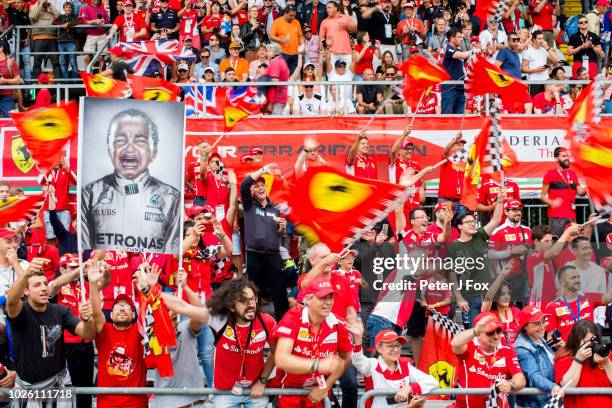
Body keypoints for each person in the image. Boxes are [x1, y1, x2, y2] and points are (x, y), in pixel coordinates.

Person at [81, 109, 181, 254]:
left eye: (140, 141)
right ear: (109, 149)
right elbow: (86, 253)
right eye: (120, 140)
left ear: (154, 152)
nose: (129, 148)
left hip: (149, 275)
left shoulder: (171, 197)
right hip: (107, 275)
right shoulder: (90, 194)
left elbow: (171, 255)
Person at [6, 260, 96, 401]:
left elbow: (88, 333)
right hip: (28, 390)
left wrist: (87, 320)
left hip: (58, 387)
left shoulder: (61, 311)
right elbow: (11, 301)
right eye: (37, 285)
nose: (44, 288)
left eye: (46, 284)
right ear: (26, 291)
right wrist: (26, 275)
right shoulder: (20, 310)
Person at [273, 276, 352, 408]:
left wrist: (326, 386)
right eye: (322, 298)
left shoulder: (338, 324)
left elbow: (345, 359)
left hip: (319, 392)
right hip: (289, 392)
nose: (328, 302)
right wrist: (318, 365)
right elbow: (281, 359)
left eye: (330, 297)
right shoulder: (293, 318)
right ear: (308, 300)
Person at [205, 278, 276, 408]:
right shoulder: (220, 319)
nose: (251, 305)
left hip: (255, 390)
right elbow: (185, 308)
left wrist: (262, 380)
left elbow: (276, 352)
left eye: (253, 299)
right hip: (225, 391)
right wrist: (156, 291)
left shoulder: (267, 321)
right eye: (244, 301)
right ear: (231, 306)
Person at [449, 188, 506, 327]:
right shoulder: (453, 246)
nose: (473, 223)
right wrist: (459, 298)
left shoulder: (479, 236)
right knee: (472, 332)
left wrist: (499, 201)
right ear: (460, 226)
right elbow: (452, 274)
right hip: (468, 297)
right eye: (468, 222)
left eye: (474, 221)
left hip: (487, 294)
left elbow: (496, 220)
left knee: (489, 330)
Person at [348, 321, 437, 408]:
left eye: (398, 345)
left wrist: (409, 389)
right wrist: (358, 340)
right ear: (379, 348)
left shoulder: (405, 366)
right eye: (390, 346)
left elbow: (433, 382)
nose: (395, 349)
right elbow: (358, 361)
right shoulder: (373, 365)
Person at [240, 163, 288, 321]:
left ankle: (284, 326)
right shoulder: (249, 205)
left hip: (273, 254)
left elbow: (279, 234)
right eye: (256, 186)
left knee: (280, 292)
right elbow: (244, 185)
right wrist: (262, 170)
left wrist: (281, 229)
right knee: (252, 292)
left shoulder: (275, 209)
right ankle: (252, 324)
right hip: (254, 253)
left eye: (262, 186)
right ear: (252, 190)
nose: (260, 189)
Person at [451, 312, 527, 408]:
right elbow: (455, 344)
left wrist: (511, 384)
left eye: (499, 331)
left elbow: (520, 379)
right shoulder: (470, 345)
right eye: (490, 332)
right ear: (478, 334)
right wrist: (475, 330)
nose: (496, 336)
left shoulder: (507, 349)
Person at [544, 265, 612, 341]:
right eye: (573, 278)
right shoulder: (552, 306)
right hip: (568, 351)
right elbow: (550, 338)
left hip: (590, 349)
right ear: (563, 282)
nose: (577, 280)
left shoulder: (589, 297)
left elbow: (607, 298)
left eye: (578, 277)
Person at [554, 319, 612, 407]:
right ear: (576, 341)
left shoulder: (604, 353)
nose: (591, 345)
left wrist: (606, 362)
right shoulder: (564, 357)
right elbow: (567, 387)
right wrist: (578, 359)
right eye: (586, 342)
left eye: (593, 340)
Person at [514, 305, 563, 408]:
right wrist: (552, 386)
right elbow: (533, 375)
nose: (542, 327)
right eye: (537, 324)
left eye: (543, 322)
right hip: (535, 404)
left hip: (548, 401)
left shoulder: (540, 339)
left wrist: (561, 351)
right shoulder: (521, 348)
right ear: (525, 326)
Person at [489, 200, 532, 304]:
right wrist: (511, 251)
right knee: (507, 308)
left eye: (519, 210)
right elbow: (490, 254)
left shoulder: (527, 230)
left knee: (522, 308)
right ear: (506, 212)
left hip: (524, 277)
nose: (517, 212)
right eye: (514, 210)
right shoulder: (498, 231)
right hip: (506, 277)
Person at [541, 147, 587, 236]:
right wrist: (552, 202)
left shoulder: (572, 174)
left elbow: (581, 192)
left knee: (574, 242)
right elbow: (543, 196)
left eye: (568, 156)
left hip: (572, 216)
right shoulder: (550, 174)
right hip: (556, 216)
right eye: (563, 156)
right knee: (558, 243)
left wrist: (589, 183)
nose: (567, 158)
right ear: (556, 158)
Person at [319, 1, 357, 68]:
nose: (327, 10)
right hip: (332, 54)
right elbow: (321, 38)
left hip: (346, 52)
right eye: (327, 8)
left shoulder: (346, 18)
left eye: (329, 8)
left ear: (336, 8)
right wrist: (324, 51)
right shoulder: (324, 22)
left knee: (348, 76)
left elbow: (355, 30)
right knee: (332, 77)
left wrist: (347, 26)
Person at [442, 28, 470, 114]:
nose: (462, 39)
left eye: (462, 37)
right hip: (450, 88)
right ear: (452, 38)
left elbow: (467, 60)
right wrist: (474, 51)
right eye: (459, 37)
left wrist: (484, 51)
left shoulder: (459, 50)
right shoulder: (448, 49)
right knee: (446, 119)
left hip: (461, 88)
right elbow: (463, 55)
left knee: (459, 119)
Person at [567, 14, 605, 79]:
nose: (583, 23)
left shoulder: (594, 36)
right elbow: (569, 52)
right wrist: (581, 47)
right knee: (577, 84)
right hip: (578, 63)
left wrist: (592, 46)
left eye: (585, 22)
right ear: (578, 25)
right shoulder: (573, 36)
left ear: (588, 24)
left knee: (591, 85)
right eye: (581, 22)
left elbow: (602, 54)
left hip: (591, 63)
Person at [269, 4, 303, 74]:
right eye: (291, 15)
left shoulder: (297, 22)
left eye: (294, 15)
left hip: (295, 54)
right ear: (285, 13)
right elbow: (271, 36)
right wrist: (281, 40)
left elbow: (300, 36)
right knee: (283, 75)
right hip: (283, 53)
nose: (293, 17)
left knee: (293, 76)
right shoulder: (277, 22)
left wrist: (302, 46)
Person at [79, 0, 109, 67]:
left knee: (102, 57)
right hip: (91, 35)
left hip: (102, 35)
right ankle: (88, 75)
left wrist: (103, 22)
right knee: (86, 57)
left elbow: (107, 23)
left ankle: (101, 75)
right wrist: (94, 21)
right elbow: (84, 21)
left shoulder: (103, 9)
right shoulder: (86, 8)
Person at [0, 228, 28, 296]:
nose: (14, 245)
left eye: (16, 241)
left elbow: (31, 287)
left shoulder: (25, 265)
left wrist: (15, 264)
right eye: (9, 241)